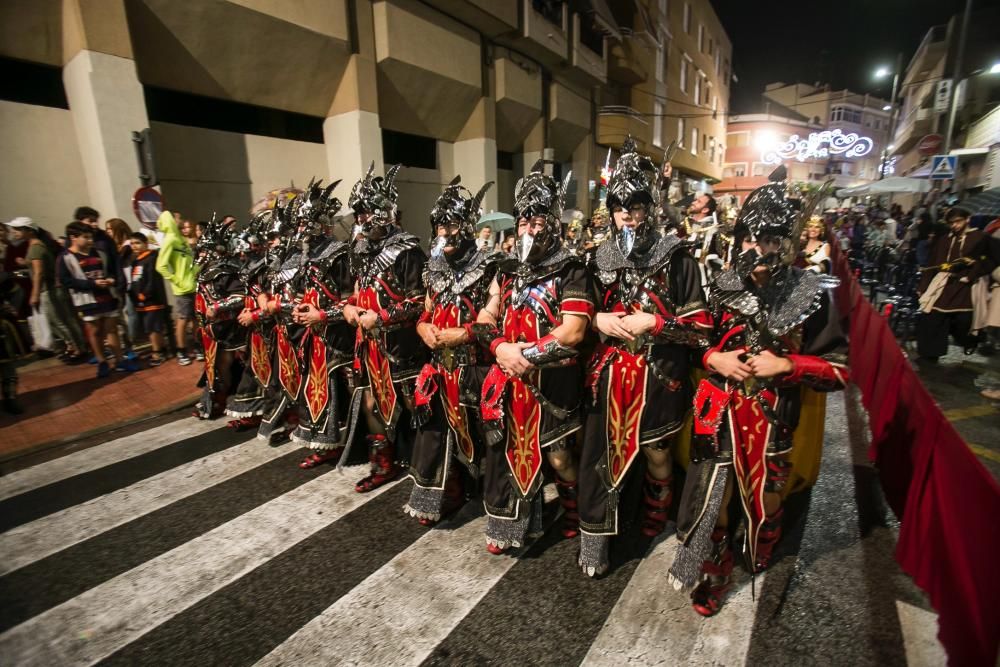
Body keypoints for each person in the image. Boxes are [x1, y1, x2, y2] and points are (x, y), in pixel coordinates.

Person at [669, 178, 849, 617]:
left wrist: (789, 366)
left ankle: (762, 540)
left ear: (786, 242)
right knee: (712, 497)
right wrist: (716, 359)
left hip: (774, 417)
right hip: (720, 410)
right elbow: (692, 339)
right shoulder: (721, 286)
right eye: (750, 236)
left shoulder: (810, 293)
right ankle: (714, 568)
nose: (758, 247)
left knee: (766, 498)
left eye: (769, 238)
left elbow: (842, 368)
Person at [577, 138, 712, 576]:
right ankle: (598, 530)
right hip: (611, 371)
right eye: (620, 208)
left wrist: (655, 324)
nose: (628, 216)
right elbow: (580, 309)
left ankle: (658, 507)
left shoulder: (678, 258)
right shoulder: (600, 256)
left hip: (659, 371)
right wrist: (598, 319)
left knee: (657, 450)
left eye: (636, 207)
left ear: (649, 209)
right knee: (601, 452)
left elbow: (701, 330)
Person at [473, 161, 594, 555]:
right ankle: (511, 523)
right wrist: (501, 349)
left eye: (539, 221)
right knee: (507, 454)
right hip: (508, 379)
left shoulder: (572, 268)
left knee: (559, 458)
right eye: (525, 221)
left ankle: (574, 509)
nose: (530, 228)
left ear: (553, 223)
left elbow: (574, 330)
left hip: (551, 384)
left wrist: (527, 355)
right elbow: (486, 316)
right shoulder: (505, 270)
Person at [405, 176, 498, 525]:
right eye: (440, 225)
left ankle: (495, 502)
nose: (444, 231)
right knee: (437, 432)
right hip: (439, 367)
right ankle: (450, 490)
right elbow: (426, 313)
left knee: (486, 437)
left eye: (452, 224)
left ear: (468, 226)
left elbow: (492, 317)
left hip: (477, 368)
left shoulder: (490, 265)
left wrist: (467, 332)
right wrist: (422, 327)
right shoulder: (434, 269)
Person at [342, 163, 427, 492]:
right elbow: (355, 292)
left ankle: (427, 472)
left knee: (414, 407)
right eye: (358, 213)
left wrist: (384, 317)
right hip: (369, 347)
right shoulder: (362, 250)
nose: (360, 220)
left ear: (383, 212)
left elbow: (419, 301)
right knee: (369, 403)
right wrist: (349, 307)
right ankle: (383, 464)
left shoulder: (408, 250)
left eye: (366, 212)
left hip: (401, 348)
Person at [58, 222, 135, 377]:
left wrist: (112, 280)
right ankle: (102, 361)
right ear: (73, 237)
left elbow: (112, 270)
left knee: (112, 329)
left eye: (90, 237)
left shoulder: (100, 253)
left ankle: (120, 360)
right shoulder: (65, 258)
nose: (90, 240)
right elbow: (66, 281)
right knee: (95, 331)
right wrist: (91, 284)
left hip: (107, 297)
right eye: (85, 237)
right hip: (87, 300)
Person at [917, 206, 993, 360]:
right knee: (933, 316)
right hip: (944, 284)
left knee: (964, 321)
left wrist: (972, 274)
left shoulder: (979, 237)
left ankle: (970, 341)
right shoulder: (945, 239)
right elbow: (933, 263)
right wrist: (923, 286)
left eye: (958, 221)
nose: (955, 225)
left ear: (967, 219)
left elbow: (988, 261)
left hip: (968, 287)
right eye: (951, 223)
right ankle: (930, 355)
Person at [6, 217, 85, 361]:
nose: (14, 232)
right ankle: (75, 346)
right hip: (49, 289)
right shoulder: (35, 245)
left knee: (58, 320)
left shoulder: (36, 247)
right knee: (61, 320)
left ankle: (77, 348)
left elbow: (39, 272)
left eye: (17, 229)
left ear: (28, 231)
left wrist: (35, 293)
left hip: (48, 290)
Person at [191, 218, 247, 419]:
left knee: (235, 364)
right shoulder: (205, 272)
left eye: (206, 250)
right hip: (213, 329)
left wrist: (217, 306)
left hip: (232, 327)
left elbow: (241, 296)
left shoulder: (227, 271)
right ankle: (219, 398)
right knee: (216, 365)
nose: (202, 254)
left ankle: (238, 399)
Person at [155, 211, 199, 365]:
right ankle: (181, 351)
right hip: (182, 289)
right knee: (182, 319)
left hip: (193, 285)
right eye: (177, 217)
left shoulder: (181, 239)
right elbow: (161, 266)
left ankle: (197, 347)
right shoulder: (170, 240)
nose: (180, 219)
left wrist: (198, 269)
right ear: (171, 220)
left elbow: (188, 263)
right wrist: (177, 281)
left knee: (195, 319)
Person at [127, 232, 168, 365]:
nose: (134, 246)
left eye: (138, 243)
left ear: (145, 243)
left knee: (152, 328)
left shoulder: (151, 258)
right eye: (132, 243)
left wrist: (144, 294)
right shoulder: (136, 260)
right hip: (140, 301)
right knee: (150, 327)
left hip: (152, 300)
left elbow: (152, 280)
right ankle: (161, 348)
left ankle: (157, 353)